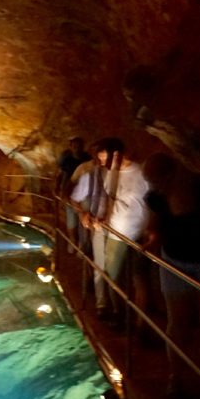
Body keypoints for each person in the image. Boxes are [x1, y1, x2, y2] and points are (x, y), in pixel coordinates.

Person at [143, 153, 200, 398]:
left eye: (156, 180)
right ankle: (176, 376)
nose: (154, 186)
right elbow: (154, 225)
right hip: (175, 262)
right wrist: (152, 238)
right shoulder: (156, 198)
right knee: (177, 323)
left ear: (171, 174)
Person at [82, 138, 150, 323]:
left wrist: (151, 230)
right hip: (116, 232)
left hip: (139, 234)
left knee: (140, 279)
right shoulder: (111, 173)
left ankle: (141, 325)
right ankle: (118, 313)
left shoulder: (141, 173)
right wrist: (100, 218)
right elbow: (110, 199)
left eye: (105, 160)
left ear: (118, 155)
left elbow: (154, 203)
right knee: (113, 276)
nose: (102, 164)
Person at [55, 137, 91, 253]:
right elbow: (61, 174)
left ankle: (82, 244)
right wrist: (59, 189)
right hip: (69, 192)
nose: (77, 148)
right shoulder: (67, 159)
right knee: (71, 219)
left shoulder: (87, 158)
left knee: (82, 218)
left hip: (83, 193)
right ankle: (72, 241)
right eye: (74, 146)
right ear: (71, 146)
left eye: (79, 146)